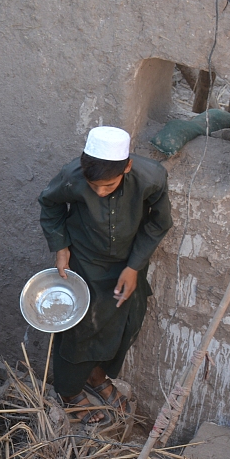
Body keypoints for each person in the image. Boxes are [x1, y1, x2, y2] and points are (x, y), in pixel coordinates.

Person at [38, 126, 172, 423]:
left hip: (128, 265)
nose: (99, 191)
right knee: (82, 327)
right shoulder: (72, 176)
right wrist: (60, 248)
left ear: (127, 167)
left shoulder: (151, 178)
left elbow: (159, 224)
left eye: (108, 186)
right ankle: (70, 391)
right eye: (93, 185)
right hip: (85, 262)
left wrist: (134, 266)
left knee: (124, 323)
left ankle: (96, 375)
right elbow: (50, 204)